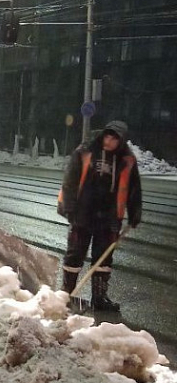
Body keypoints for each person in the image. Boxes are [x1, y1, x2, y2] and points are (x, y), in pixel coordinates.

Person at [57, 120, 142, 312]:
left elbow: (133, 188)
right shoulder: (85, 151)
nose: (109, 141)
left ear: (121, 141)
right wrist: (69, 207)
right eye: (108, 136)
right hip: (83, 212)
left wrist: (135, 211)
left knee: (103, 258)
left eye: (115, 139)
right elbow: (70, 180)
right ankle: (66, 292)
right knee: (75, 253)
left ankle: (99, 298)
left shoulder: (127, 159)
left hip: (110, 217)